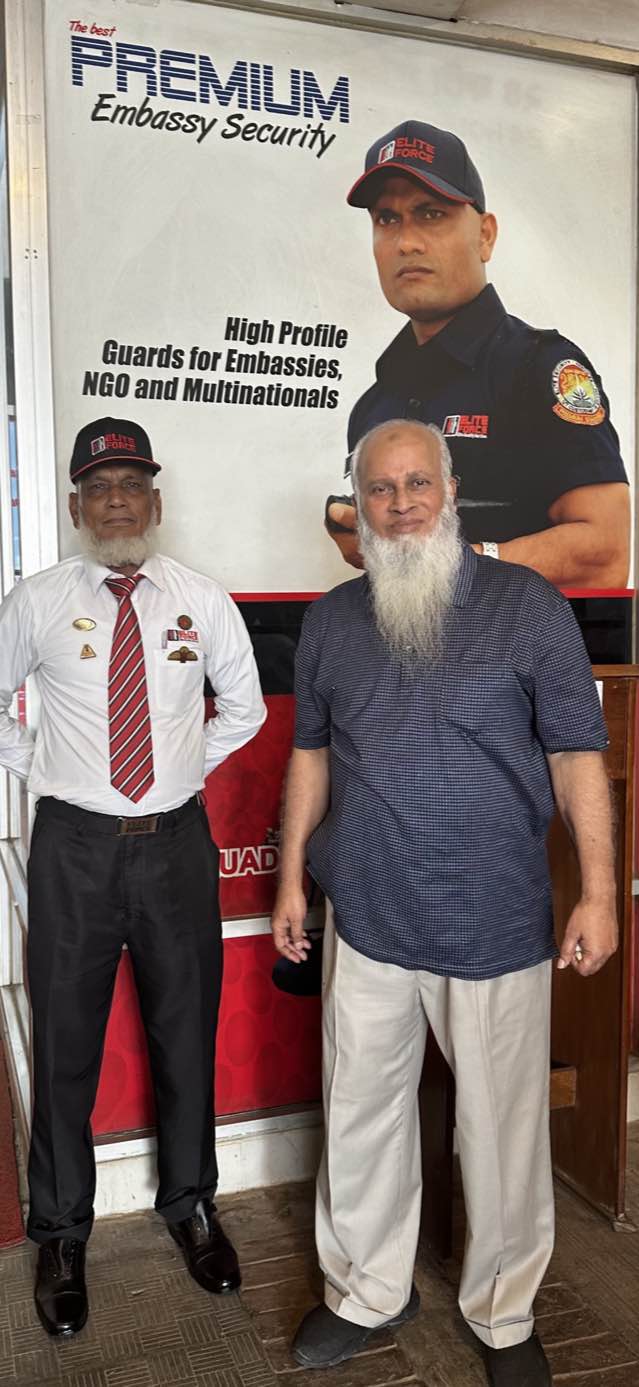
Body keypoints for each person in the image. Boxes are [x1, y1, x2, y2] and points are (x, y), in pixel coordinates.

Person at [272, 418, 617, 1386]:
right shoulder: (333, 620)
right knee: (359, 1116)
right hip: (368, 915)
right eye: (380, 489)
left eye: (417, 483)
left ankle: (504, 1313)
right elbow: (310, 757)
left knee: (500, 1136)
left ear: (452, 489)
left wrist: (600, 892)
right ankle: (365, 1290)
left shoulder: (527, 606)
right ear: (357, 505)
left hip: (493, 917)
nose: (400, 504)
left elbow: (576, 756)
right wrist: (293, 875)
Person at [0, 417, 266, 1338]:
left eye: (131, 485)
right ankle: (61, 1232)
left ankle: (191, 1206)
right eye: (99, 487)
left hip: (175, 844)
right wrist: (41, 767)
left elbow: (242, 707)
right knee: (65, 1040)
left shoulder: (200, 599)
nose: (116, 500)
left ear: (154, 501)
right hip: (72, 847)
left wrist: (180, 768)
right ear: (77, 506)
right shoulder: (36, 601)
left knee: (184, 1032)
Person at [325, 120, 629, 589]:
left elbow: (605, 554)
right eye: (387, 219)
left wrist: (458, 561)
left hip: (519, 640)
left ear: (485, 236)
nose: (406, 242)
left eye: (430, 214)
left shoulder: (537, 368)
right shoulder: (374, 406)